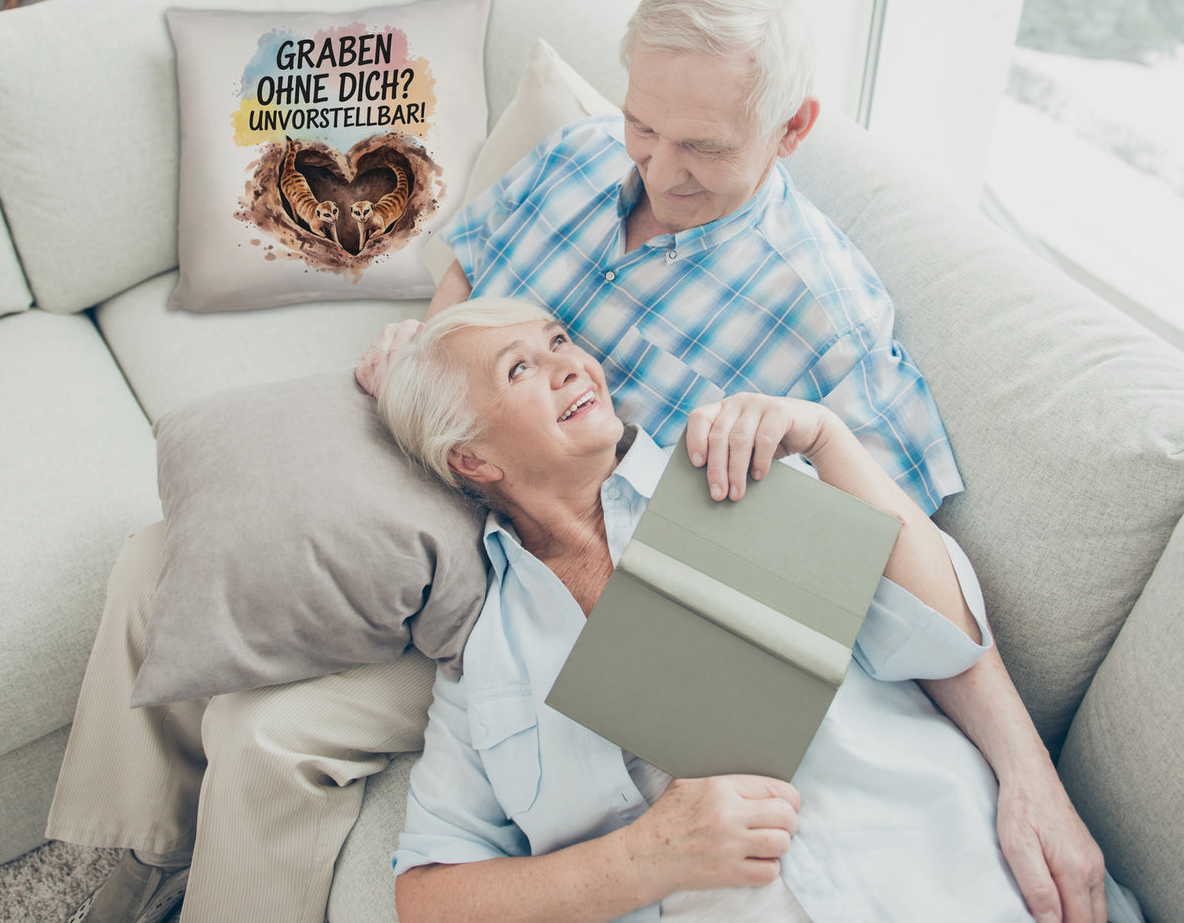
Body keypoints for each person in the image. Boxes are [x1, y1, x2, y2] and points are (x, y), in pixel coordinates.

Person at [359, 0, 1106, 922]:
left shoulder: (798, 373)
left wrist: (1028, 778)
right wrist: (431, 369)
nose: (659, 171)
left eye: (702, 147)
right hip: (462, 543)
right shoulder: (578, 159)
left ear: (792, 129)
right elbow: (471, 264)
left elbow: (915, 595)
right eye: (644, 127)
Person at [377, 297, 1131, 923]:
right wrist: (644, 858)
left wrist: (829, 440)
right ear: (472, 459)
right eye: (521, 368)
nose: (571, 364)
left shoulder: (732, 471)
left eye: (559, 341)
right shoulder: (487, 660)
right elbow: (428, 897)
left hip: (956, 877)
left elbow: (943, 638)